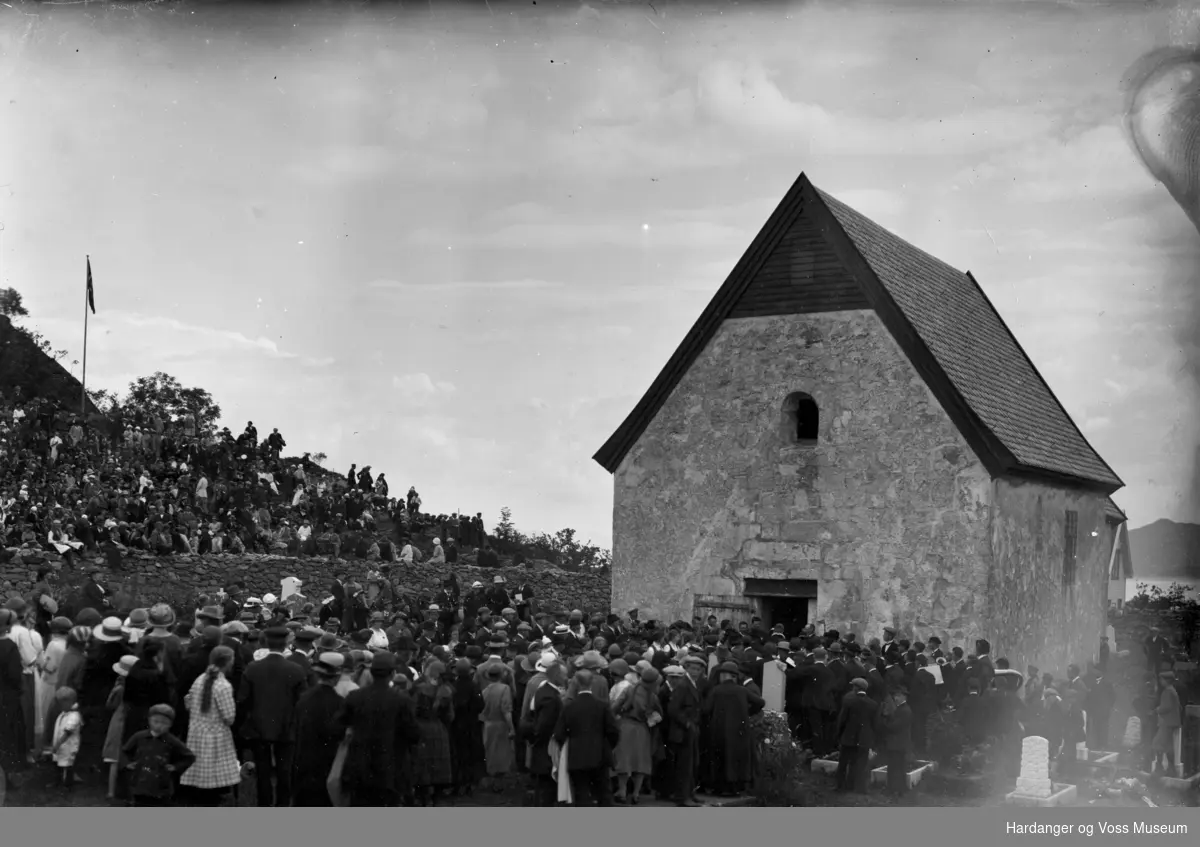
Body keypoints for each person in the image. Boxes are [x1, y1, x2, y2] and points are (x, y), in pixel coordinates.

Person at [336, 652, 421, 807]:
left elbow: (338, 727)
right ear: (393, 674)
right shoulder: (401, 699)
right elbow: (414, 734)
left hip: (360, 766)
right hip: (392, 767)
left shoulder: (355, 696)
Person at [237, 625, 307, 807]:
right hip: (287, 726)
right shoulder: (296, 669)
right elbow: (302, 702)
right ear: (285, 644)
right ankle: (283, 805)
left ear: (266, 643)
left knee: (263, 770)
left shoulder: (253, 668)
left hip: (258, 726)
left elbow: (243, 700)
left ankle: (264, 804)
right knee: (285, 771)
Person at [180, 646, 241, 807]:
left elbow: (188, 703)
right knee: (214, 777)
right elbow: (229, 717)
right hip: (216, 734)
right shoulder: (223, 686)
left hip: (197, 731)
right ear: (228, 662)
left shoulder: (200, 679)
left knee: (200, 772)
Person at [291, 652, 348, 806]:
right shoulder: (339, 703)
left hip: (302, 762)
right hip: (327, 764)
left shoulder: (304, 698)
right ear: (336, 677)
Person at [121, 704, 196, 807]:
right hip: (139, 783)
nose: (159, 725)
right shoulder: (139, 737)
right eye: (156, 721)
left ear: (170, 725)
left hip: (161, 786)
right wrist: (127, 763)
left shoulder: (171, 740)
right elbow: (124, 751)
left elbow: (189, 757)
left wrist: (175, 767)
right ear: (149, 720)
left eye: (164, 723)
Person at [835, 678, 877, 794]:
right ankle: (858, 787)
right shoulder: (873, 704)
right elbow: (874, 724)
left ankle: (840, 786)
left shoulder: (849, 701)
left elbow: (842, 720)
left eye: (853, 686)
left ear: (856, 688)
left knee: (844, 762)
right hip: (864, 739)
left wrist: (839, 734)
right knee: (861, 763)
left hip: (849, 737)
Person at [49, 686, 83, 794]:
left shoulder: (74, 716)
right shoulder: (63, 714)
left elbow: (67, 732)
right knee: (57, 764)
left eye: (61, 703)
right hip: (60, 746)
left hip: (67, 746)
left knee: (67, 766)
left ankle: (67, 786)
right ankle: (56, 782)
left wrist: (57, 744)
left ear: (69, 702)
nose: (59, 706)